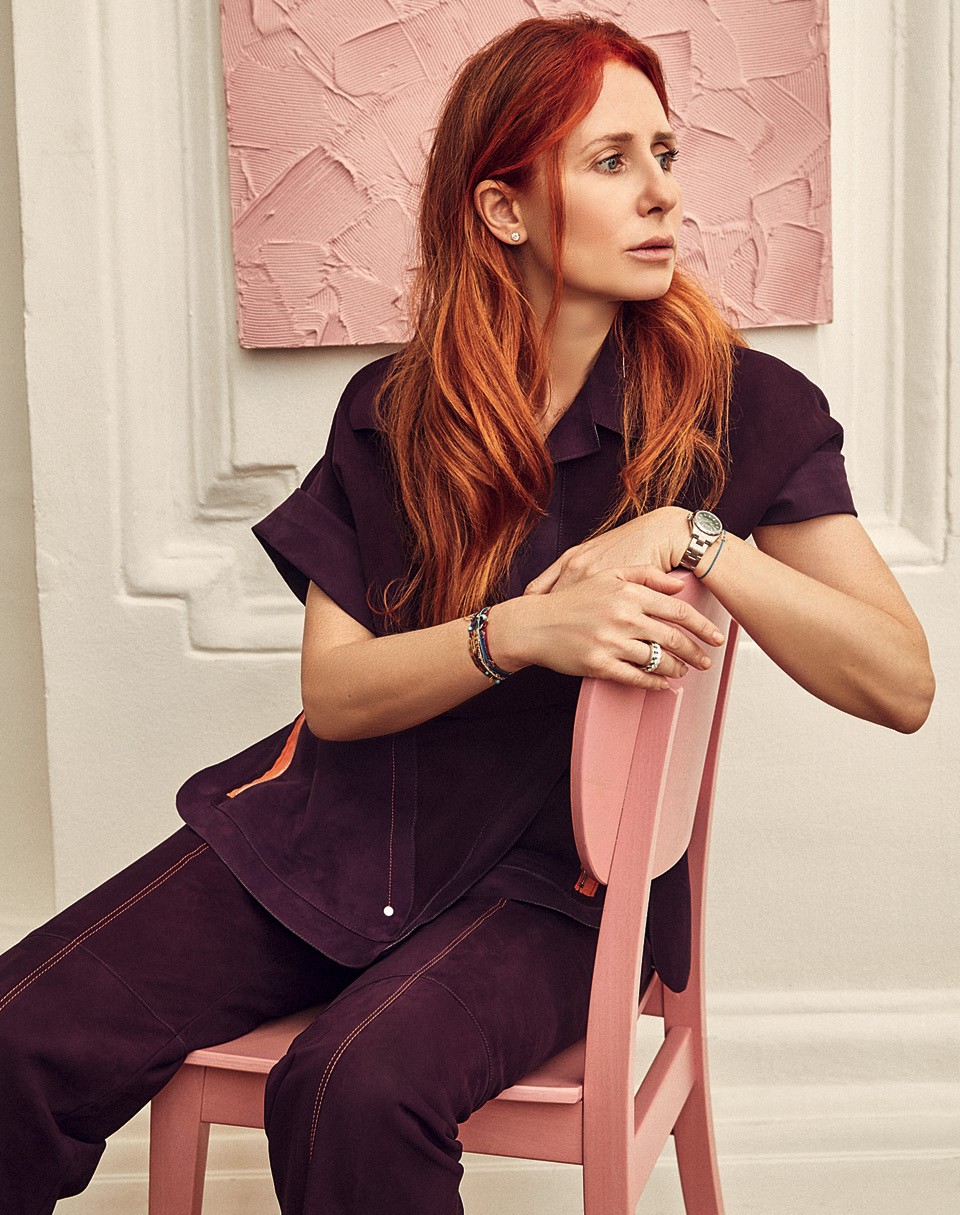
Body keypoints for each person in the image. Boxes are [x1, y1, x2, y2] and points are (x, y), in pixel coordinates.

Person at [0, 14, 934, 1215]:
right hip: (333, 833)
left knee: (351, 1089)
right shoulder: (393, 410)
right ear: (502, 209)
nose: (662, 192)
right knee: (19, 1036)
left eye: (665, 153)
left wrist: (698, 536)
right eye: (611, 161)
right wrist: (521, 632)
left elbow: (900, 682)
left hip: (559, 892)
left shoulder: (741, 406)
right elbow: (338, 695)